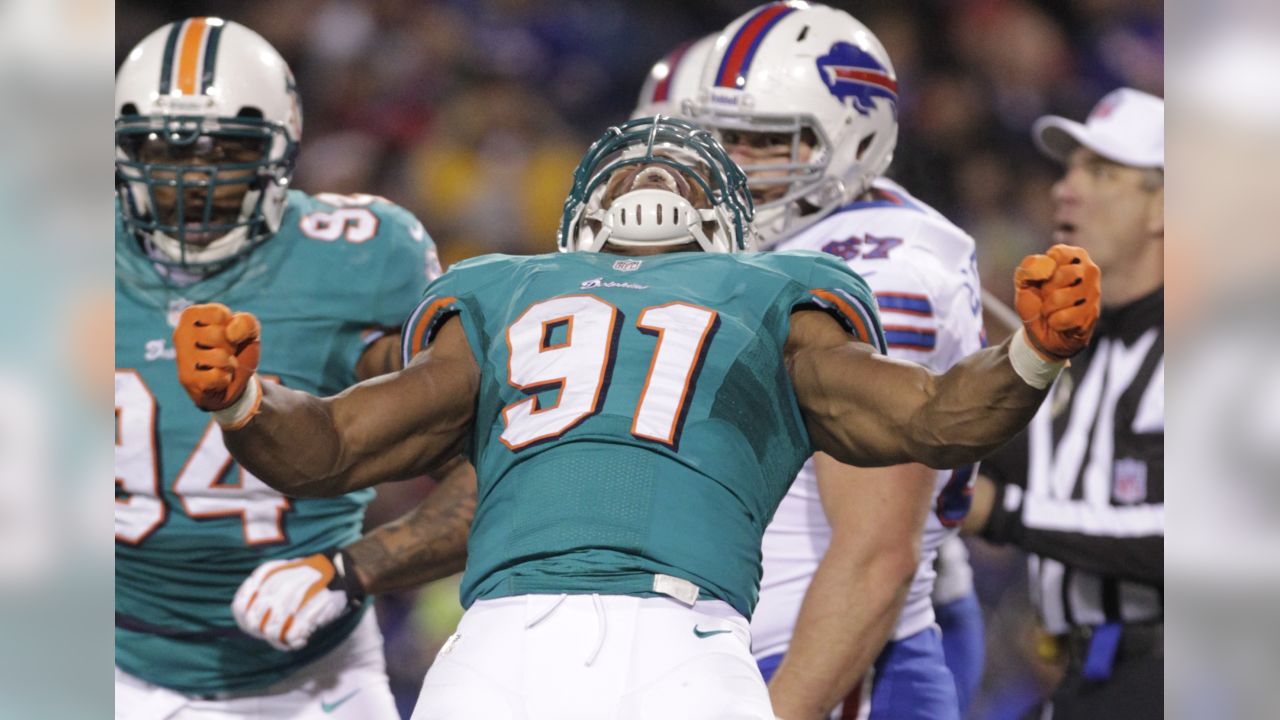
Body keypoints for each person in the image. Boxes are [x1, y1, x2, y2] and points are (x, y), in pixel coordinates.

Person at [172, 115, 1100, 719]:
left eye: (684, 168)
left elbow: (935, 419)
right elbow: (331, 443)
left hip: (647, 640)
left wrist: (1031, 354)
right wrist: (247, 400)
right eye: (635, 163)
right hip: (560, 635)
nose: (654, 173)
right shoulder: (508, 291)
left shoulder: (768, 293)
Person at [114, 18, 442, 718]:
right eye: (159, 151)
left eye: (224, 151)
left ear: (284, 151)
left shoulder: (361, 254)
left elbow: (481, 458)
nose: (190, 182)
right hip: (114, 660)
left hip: (318, 672)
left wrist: (354, 570)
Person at [688, 4, 986, 717]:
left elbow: (877, 555)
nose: (734, 163)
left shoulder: (879, 273)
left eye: (764, 142)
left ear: (853, 140)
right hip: (750, 653)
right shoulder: (838, 239)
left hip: (826, 665)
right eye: (723, 136)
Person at [963, 87, 1164, 719]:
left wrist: (1004, 514)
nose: (1065, 189)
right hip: (1081, 678)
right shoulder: (1069, 348)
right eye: (1069, 167)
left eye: (1102, 172)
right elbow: (980, 462)